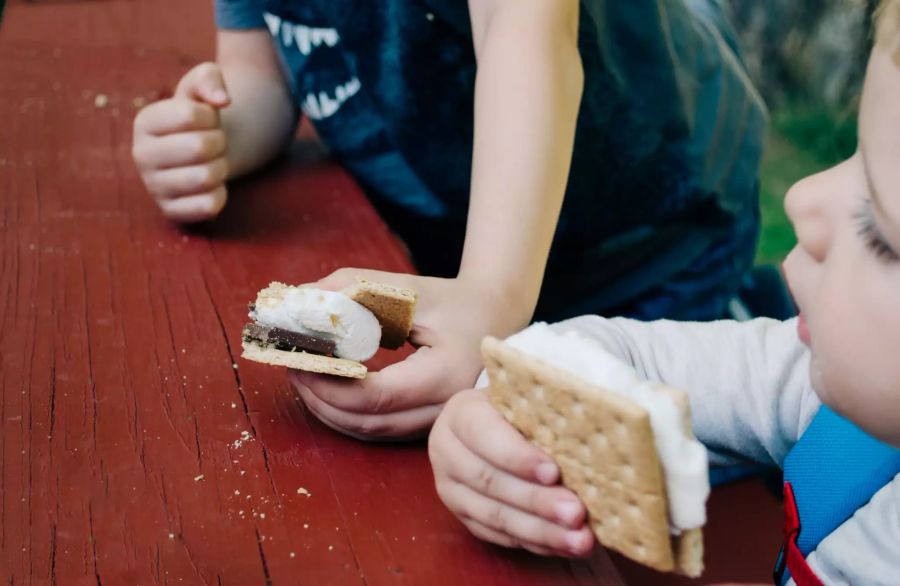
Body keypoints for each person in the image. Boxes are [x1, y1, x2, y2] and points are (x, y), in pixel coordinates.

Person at [132, 0, 765, 439]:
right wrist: (215, 136)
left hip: (647, 237)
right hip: (462, 247)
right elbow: (260, 73)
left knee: (663, 460)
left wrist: (491, 293)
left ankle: (767, 327)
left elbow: (527, 35)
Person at [428, 2, 900, 582]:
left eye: (881, 230)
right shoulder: (811, 383)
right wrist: (496, 419)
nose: (802, 198)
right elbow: (607, 359)